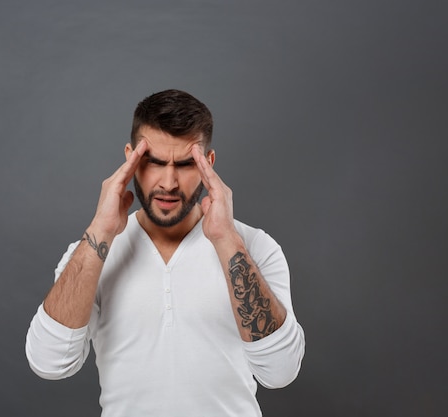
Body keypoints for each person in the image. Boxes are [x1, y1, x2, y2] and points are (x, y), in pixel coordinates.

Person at [25, 89, 305, 417]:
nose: (169, 182)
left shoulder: (254, 247)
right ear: (130, 159)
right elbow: (49, 363)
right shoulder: (91, 252)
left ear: (208, 164)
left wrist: (226, 238)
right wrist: (101, 231)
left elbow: (280, 372)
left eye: (185, 164)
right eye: (154, 162)